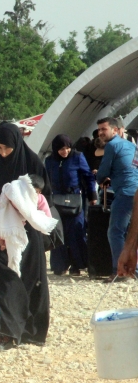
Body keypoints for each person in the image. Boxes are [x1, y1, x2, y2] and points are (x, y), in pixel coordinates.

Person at [0, 122, 52, 351]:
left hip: (28, 236)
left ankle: (30, 332)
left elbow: (46, 198)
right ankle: (5, 333)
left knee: (29, 281)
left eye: (8, 149)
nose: (3, 153)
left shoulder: (33, 163)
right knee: (2, 282)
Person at [44, 134, 97, 277]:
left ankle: (78, 265)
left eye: (67, 148)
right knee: (58, 233)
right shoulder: (49, 161)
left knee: (76, 232)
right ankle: (60, 265)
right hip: (56, 200)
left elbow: (88, 176)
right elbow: (46, 180)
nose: (65, 152)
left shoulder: (77, 157)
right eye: (61, 149)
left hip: (75, 200)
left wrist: (92, 195)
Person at [96, 117, 138, 281]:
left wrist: (100, 179)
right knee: (131, 232)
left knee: (115, 232)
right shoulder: (130, 145)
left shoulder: (112, 145)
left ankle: (120, 272)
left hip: (124, 193)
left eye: (104, 129)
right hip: (135, 191)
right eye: (99, 130)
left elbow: (103, 171)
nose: (100, 133)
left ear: (115, 130)